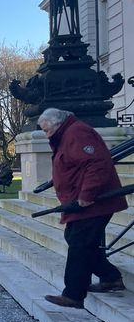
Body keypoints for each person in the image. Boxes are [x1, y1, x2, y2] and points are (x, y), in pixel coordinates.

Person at [38, 108, 126, 309]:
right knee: (79, 241)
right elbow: (76, 163)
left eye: (47, 130)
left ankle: (74, 294)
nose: (46, 135)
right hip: (80, 202)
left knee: (79, 245)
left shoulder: (77, 133)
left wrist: (87, 195)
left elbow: (97, 165)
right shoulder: (67, 133)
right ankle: (110, 277)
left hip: (93, 202)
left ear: (58, 123)